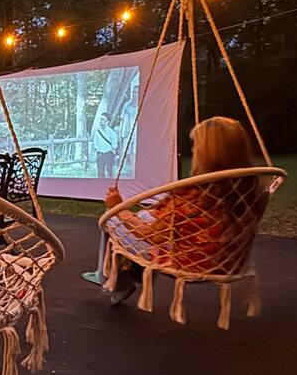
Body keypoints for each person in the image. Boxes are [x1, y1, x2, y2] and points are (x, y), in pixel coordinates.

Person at [102, 116, 259, 306]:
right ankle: (129, 274)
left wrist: (118, 207)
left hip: (191, 261)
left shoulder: (195, 196)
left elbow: (150, 235)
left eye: (195, 148)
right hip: (229, 259)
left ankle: (123, 278)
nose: (193, 152)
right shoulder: (251, 189)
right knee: (144, 216)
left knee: (113, 222)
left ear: (205, 154)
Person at [92, 114, 120, 178]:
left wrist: (113, 154)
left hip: (109, 154)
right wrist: (97, 152)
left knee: (109, 173)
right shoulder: (97, 132)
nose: (101, 121)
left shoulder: (112, 133)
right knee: (100, 174)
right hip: (100, 154)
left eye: (103, 119)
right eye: (100, 119)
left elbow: (114, 146)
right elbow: (95, 144)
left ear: (107, 122)